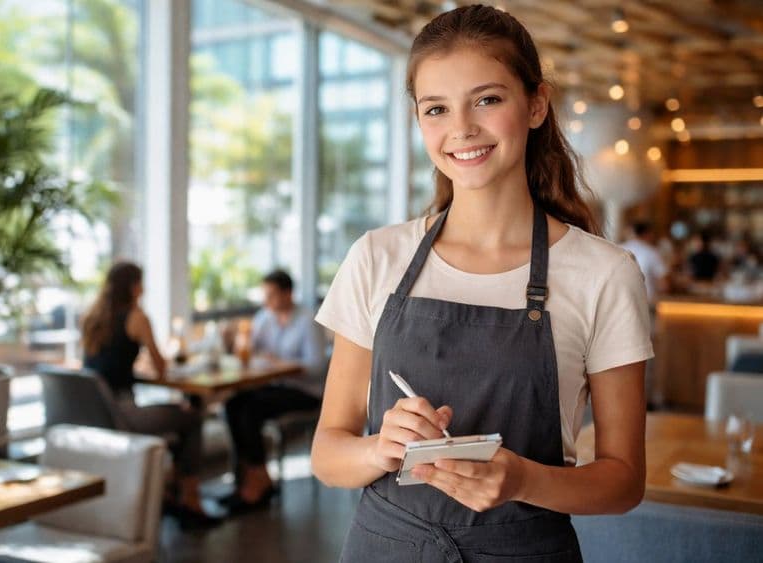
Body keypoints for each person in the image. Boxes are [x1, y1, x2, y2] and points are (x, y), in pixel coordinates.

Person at [311, 6, 652, 562]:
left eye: (487, 99)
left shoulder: (605, 274)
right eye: (436, 109)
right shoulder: (377, 256)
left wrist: (522, 481)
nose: (462, 129)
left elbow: (623, 481)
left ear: (536, 104)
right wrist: (383, 448)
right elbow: (327, 454)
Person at [81, 261, 219, 528]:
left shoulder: (92, 317)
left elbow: (104, 364)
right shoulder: (137, 317)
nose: (143, 289)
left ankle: (169, 493)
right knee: (191, 417)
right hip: (124, 414)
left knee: (181, 414)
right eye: (141, 283)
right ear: (134, 286)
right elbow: (161, 368)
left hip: (95, 412)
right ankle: (190, 499)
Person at [221, 269, 327, 513]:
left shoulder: (307, 320)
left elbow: (317, 367)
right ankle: (248, 478)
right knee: (232, 405)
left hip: (305, 392)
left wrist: (281, 364)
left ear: (288, 293)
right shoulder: (264, 317)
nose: (266, 300)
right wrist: (231, 339)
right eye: (264, 295)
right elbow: (248, 349)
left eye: (271, 295)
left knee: (250, 410)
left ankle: (259, 480)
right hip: (275, 387)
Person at [620, 221, 669, 304]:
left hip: (619, 302)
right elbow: (663, 285)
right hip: (645, 303)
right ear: (647, 234)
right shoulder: (652, 252)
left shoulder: (618, 248)